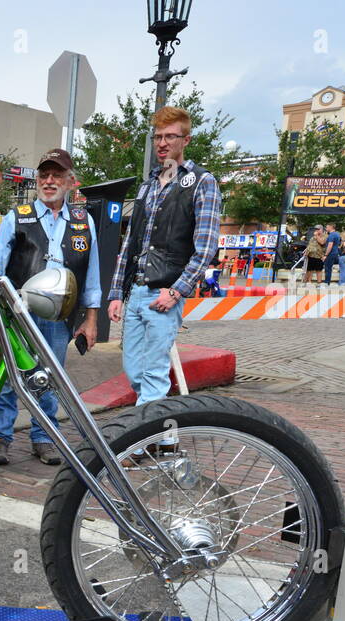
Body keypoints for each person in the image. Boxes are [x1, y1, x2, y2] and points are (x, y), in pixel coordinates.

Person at [107, 105, 222, 437]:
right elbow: (129, 246)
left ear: (185, 139)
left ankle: (138, 444)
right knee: (135, 372)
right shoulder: (147, 186)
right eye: (157, 136)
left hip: (164, 292)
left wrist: (177, 291)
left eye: (170, 136)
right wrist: (117, 294)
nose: (162, 143)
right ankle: (164, 436)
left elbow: (206, 247)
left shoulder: (202, 182)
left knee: (154, 373)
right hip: (137, 291)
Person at [0, 147, 101, 467]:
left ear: (70, 182)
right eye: (44, 175)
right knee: (11, 375)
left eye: (57, 176)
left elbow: (91, 274)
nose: (49, 181)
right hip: (19, 312)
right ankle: (0, 437)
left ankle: (43, 437)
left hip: (59, 315)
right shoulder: (17, 217)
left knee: (50, 376)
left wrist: (90, 319)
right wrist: (0, 310)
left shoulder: (84, 221)